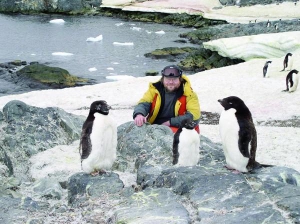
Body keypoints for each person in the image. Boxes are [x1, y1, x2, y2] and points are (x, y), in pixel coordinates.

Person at [133, 65, 201, 133]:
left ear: (180, 79)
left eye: (174, 79)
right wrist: (139, 114)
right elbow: (143, 103)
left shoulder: (189, 94)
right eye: (168, 79)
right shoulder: (154, 90)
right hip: (155, 126)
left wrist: (170, 122)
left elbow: (194, 117)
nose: (171, 82)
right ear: (163, 79)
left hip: (180, 128)